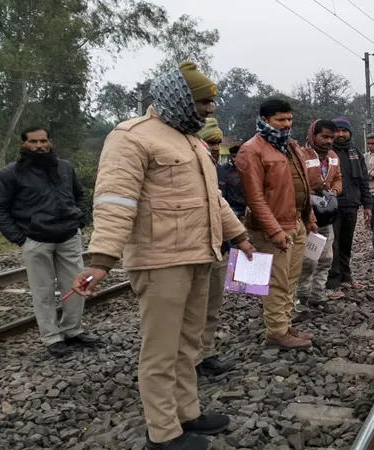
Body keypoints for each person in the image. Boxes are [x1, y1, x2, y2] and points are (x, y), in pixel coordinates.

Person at [73, 61, 255, 450]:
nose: (210, 109)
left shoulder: (189, 140)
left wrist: (238, 236)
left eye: (211, 101)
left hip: (198, 256)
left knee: (188, 343)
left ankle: (188, 412)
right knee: (160, 349)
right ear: (180, 97)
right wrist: (101, 260)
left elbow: (214, 200)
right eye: (203, 101)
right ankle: (163, 432)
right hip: (160, 262)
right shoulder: (131, 137)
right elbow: (114, 202)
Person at [0, 127, 100, 357]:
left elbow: (79, 195)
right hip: (36, 240)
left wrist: (79, 220)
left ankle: (73, 330)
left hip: (68, 236)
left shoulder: (64, 167)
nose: (39, 146)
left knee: (77, 286)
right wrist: (20, 239)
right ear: (23, 144)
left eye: (43, 141)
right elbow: (0, 209)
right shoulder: (10, 174)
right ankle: (52, 337)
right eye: (33, 141)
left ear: (50, 142)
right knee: (42, 291)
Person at [235, 98, 319, 350]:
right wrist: (274, 230)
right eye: (280, 120)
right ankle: (276, 332)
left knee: (291, 278)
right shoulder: (252, 150)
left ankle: (284, 324)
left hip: (296, 222)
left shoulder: (290, 146)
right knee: (276, 280)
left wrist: (309, 217)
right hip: (273, 227)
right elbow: (255, 197)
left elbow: (303, 184)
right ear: (264, 120)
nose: (286, 124)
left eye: (289, 119)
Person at [194, 120, 235, 377]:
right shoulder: (186, 170)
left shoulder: (221, 171)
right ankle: (189, 360)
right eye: (210, 143)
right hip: (193, 249)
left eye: (218, 143)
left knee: (212, 306)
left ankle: (206, 353)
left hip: (219, 246)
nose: (215, 148)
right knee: (191, 310)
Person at [296, 119, 342, 310]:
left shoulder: (333, 156)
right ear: (313, 135)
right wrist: (312, 194)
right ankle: (302, 296)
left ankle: (318, 296)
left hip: (326, 216)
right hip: (306, 217)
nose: (328, 141)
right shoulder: (300, 155)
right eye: (324, 136)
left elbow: (338, 177)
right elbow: (296, 183)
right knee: (308, 260)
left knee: (325, 258)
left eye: (332, 137)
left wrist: (334, 191)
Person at [325, 117, 372, 300]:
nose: (341, 134)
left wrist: (367, 205)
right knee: (333, 245)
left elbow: (363, 180)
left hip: (352, 205)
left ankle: (346, 277)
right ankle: (332, 283)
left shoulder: (355, 153)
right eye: (337, 131)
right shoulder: (327, 153)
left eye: (344, 131)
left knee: (346, 243)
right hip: (332, 206)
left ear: (349, 133)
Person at [217, 145, 246, 219]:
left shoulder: (249, 169)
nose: (236, 159)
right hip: (231, 207)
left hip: (247, 207)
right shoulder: (224, 169)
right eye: (233, 156)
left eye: (239, 156)